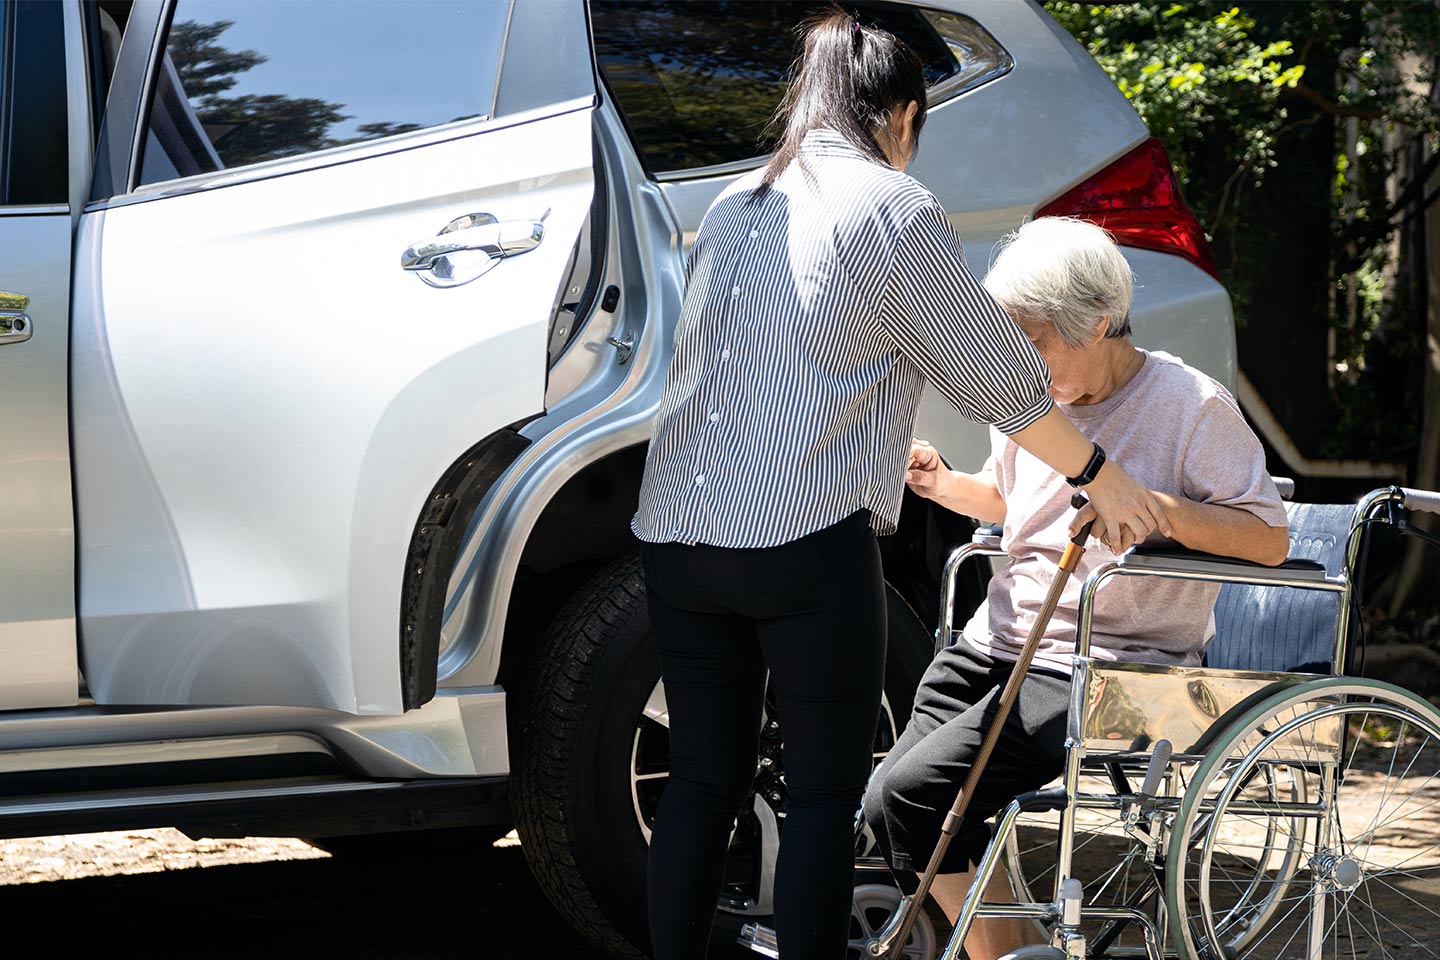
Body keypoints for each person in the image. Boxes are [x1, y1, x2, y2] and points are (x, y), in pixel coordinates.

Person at [630, 11, 1170, 958]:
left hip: (679, 534)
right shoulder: (893, 205)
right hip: (801, 543)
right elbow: (995, 373)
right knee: (826, 793)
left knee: (703, 782)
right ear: (904, 115)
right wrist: (1103, 476)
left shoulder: (734, 204)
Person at [862, 216, 1290, 960]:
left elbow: (1268, 538)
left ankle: (997, 950)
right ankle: (1015, 942)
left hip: (1106, 666)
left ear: (1097, 323)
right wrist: (945, 485)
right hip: (996, 642)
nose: (1023, 359)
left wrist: (1155, 508)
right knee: (889, 802)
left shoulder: (1191, 405)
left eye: (1037, 339)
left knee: (911, 797)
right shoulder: (1036, 400)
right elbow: (1013, 504)